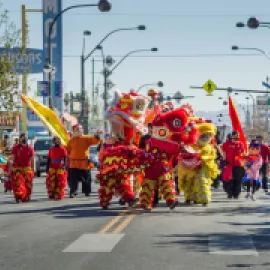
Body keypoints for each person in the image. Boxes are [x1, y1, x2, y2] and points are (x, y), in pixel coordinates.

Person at [67, 124, 101, 198]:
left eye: (80, 129)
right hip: (74, 162)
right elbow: (68, 150)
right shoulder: (71, 140)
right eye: (77, 129)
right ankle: (73, 192)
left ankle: (86, 191)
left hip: (84, 162)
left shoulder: (86, 138)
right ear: (74, 131)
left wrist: (97, 135)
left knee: (86, 178)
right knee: (73, 179)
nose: (79, 130)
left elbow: (95, 141)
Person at [10, 134, 35, 203]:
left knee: (28, 184)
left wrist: (33, 169)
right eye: (22, 138)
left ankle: (26, 197)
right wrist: (10, 165)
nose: (24, 139)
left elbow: (32, 159)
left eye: (25, 138)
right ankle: (19, 197)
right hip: (18, 168)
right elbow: (13, 157)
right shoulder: (15, 147)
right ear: (19, 139)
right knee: (18, 183)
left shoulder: (30, 148)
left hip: (27, 169)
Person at [222, 131, 245, 199]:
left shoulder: (240, 144)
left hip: (238, 164)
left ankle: (236, 193)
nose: (237, 137)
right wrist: (224, 160)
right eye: (236, 135)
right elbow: (224, 153)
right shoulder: (226, 144)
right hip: (229, 164)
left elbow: (243, 153)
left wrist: (244, 162)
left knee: (238, 179)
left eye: (238, 135)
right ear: (232, 136)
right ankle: (229, 192)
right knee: (228, 180)